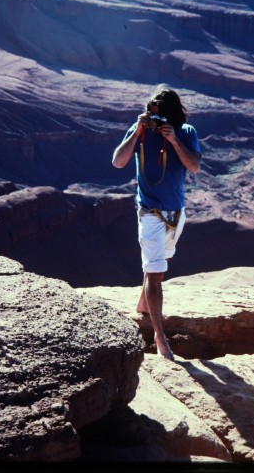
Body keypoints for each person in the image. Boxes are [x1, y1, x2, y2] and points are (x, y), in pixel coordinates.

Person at [112, 85, 201, 360]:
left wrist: (174, 141)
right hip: (149, 212)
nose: (155, 121)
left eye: (160, 117)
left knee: (160, 262)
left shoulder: (186, 133)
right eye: (152, 115)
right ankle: (159, 336)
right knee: (155, 272)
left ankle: (143, 303)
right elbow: (118, 161)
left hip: (176, 213)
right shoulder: (140, 131)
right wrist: (138, 131)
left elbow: (194, 166)